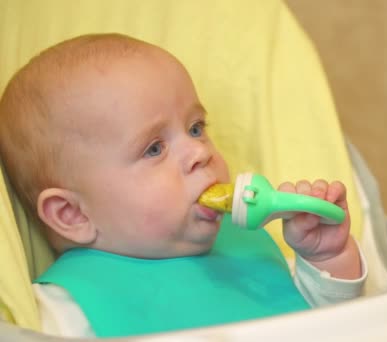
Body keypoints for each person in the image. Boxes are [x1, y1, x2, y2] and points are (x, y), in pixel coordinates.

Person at [0, 33, 366, 338]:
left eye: (196, 128)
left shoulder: (252, 249)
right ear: (73, 214)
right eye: (154, 148)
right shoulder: (66, 310)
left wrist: (327, 258)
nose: (198, 152)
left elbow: (341, 328)